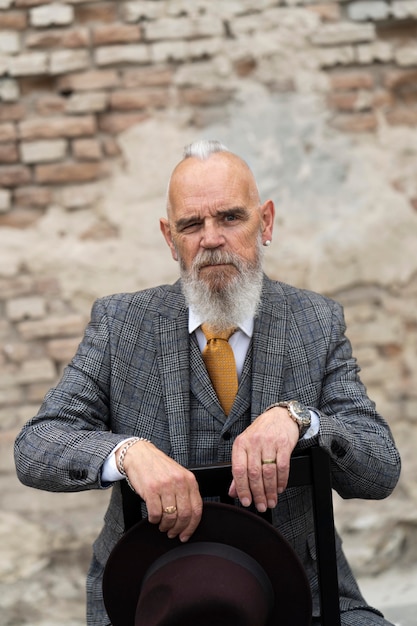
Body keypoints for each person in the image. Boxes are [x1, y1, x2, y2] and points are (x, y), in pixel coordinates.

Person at [15, 139, 401, 626]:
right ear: (169, 237)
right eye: (191, 225)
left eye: (230, 218)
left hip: (305, 595)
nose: (211, 238)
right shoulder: (119, 324)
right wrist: (127, 452)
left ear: (266, 223)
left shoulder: (316, 322)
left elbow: (381, 467)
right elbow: (35, 446)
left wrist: (302, 420)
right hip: (153, 598)